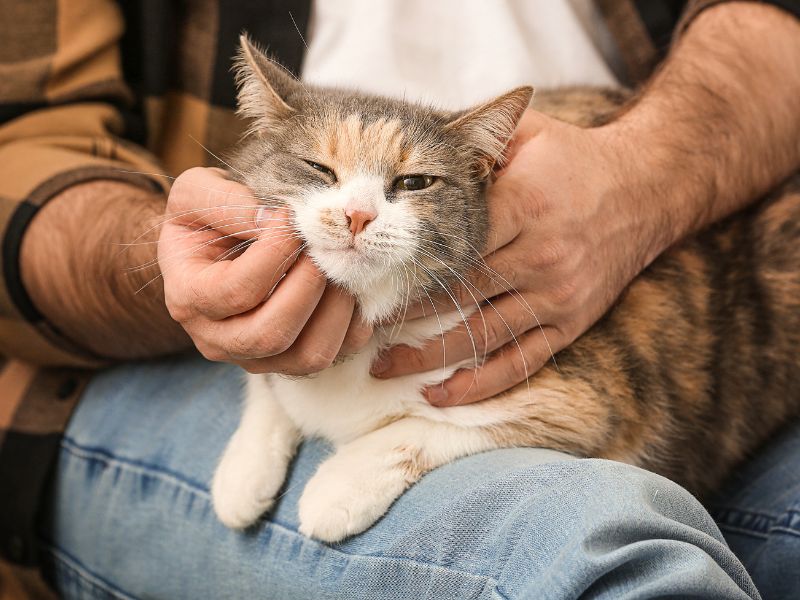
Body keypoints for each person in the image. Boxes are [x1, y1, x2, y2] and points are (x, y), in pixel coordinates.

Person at [1, 0, 799, 598]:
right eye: (323, 175)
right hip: (135, 362)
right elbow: (20, 150)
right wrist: (170, 265)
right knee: (602, 556)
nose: (353, 208)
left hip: (656, 241)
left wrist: (644, 178)